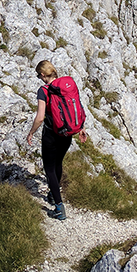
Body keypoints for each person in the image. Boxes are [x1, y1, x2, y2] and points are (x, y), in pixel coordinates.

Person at [26, 60, 87, 220]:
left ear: (43, 75)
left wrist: (31, 132)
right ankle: (54, 194)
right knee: (58, 162)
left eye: (39, 75)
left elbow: (40, 118)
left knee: (49, 168)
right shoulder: (67, 85)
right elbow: (76, 107)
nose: (39, 78)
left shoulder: (44, 90)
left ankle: (59, 207)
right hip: (67, 134)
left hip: (51, 135)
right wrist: (81, 127)